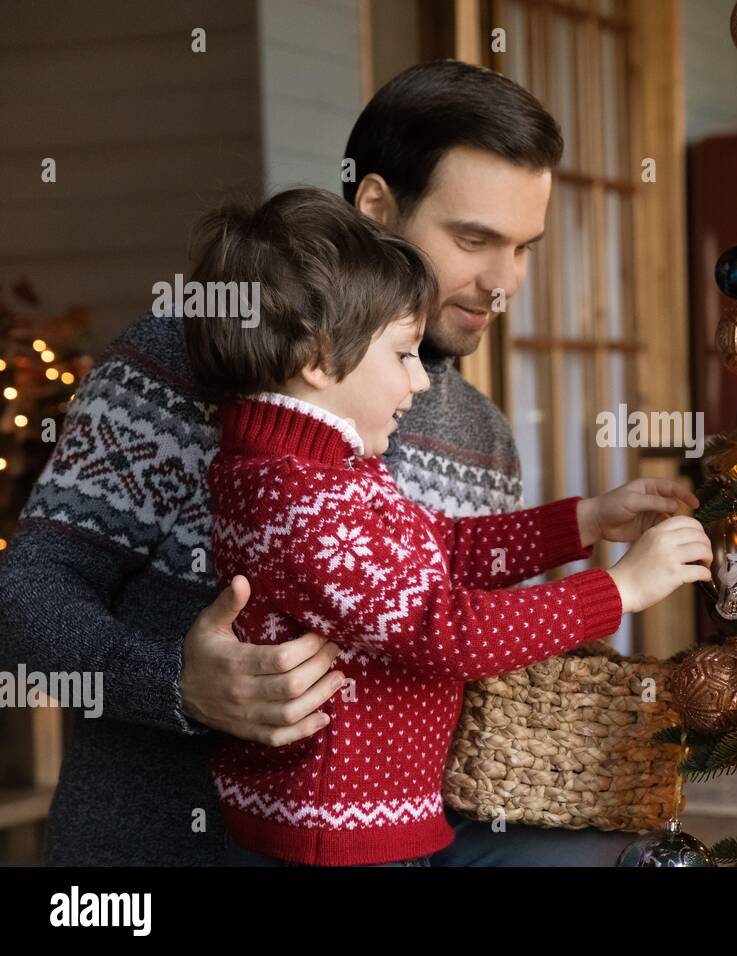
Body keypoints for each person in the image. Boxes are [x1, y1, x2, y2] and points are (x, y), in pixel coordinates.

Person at [0, 61, 673, 865]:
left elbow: (462, 649)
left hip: (400, 834)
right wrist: (174, 683)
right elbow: (29, 593)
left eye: (524, 247)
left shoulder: (482, 437)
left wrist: (587, 538)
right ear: (378, 207)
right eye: (474, 239)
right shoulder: (181, 361)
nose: (504, 283)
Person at [183, 187, 707, 866]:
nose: (422, 381)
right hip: (337, 844)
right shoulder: (304, 504)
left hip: (361, 828)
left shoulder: (319, 476)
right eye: (402, 355)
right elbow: (447, 630)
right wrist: (620, 591)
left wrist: (585, 519)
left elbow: (445, 548)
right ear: (316, 358)